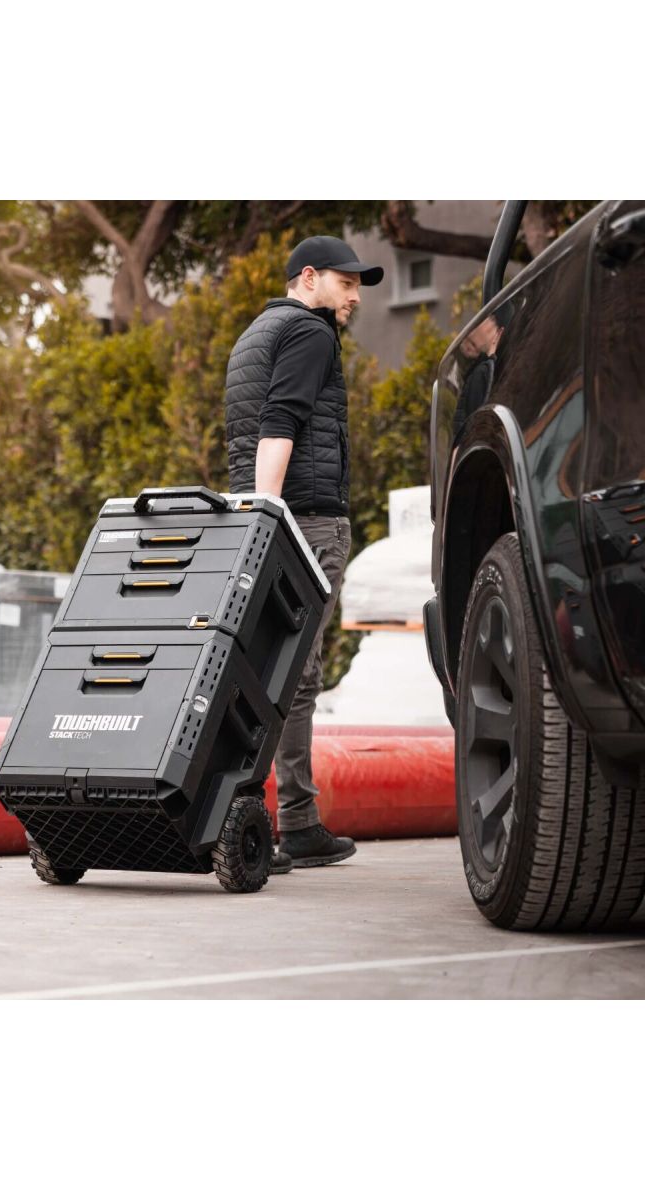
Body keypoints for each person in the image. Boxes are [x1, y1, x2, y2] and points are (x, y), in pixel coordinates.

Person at [224, 235, 384, 871]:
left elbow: (254, 427)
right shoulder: (311, 331)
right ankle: (290, 821)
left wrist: (254, 513)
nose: (354, 298)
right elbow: (280, 422)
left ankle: (258, 814)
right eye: (346, 284)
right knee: (296, 674)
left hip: (260, 515)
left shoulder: (255, 333)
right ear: (309, 278)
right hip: (305, 520)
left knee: (266, 670)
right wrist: (271, 514)